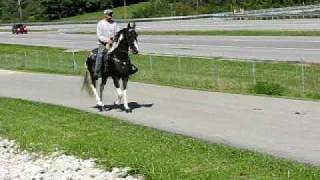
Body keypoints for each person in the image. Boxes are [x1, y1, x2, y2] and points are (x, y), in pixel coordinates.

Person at [94, 9, 119, 78]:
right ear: (105, 15)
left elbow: (117, 33)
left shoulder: (115, 23)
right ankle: (96, 72)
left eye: (111, 14)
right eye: (109, 14)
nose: (110, 15)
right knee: (100, 56)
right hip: (103, 43)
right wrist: (107, 40)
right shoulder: (100, 23)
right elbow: (99, 36)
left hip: (113, 42)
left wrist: (114, 39)